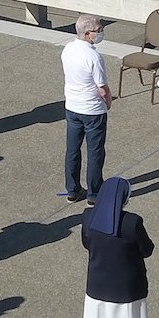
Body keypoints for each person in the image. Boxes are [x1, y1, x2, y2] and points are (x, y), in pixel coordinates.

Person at [80, 176, 159, 318]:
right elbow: (147, 250)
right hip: (128, 285)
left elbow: (86, 243)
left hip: (98, 284)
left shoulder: (89, 216)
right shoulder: (132, 222)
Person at [62, 13, 112, 206]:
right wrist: (108, 103)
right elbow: (102, 88)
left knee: (72, 150)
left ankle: (72, 190)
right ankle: (94, 192)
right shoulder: (93, 56)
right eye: (98, 30)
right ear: (87, 33)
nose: (100, 33)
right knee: (95, 152)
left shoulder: (68, 49)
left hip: (72, 107)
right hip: (92, 111)